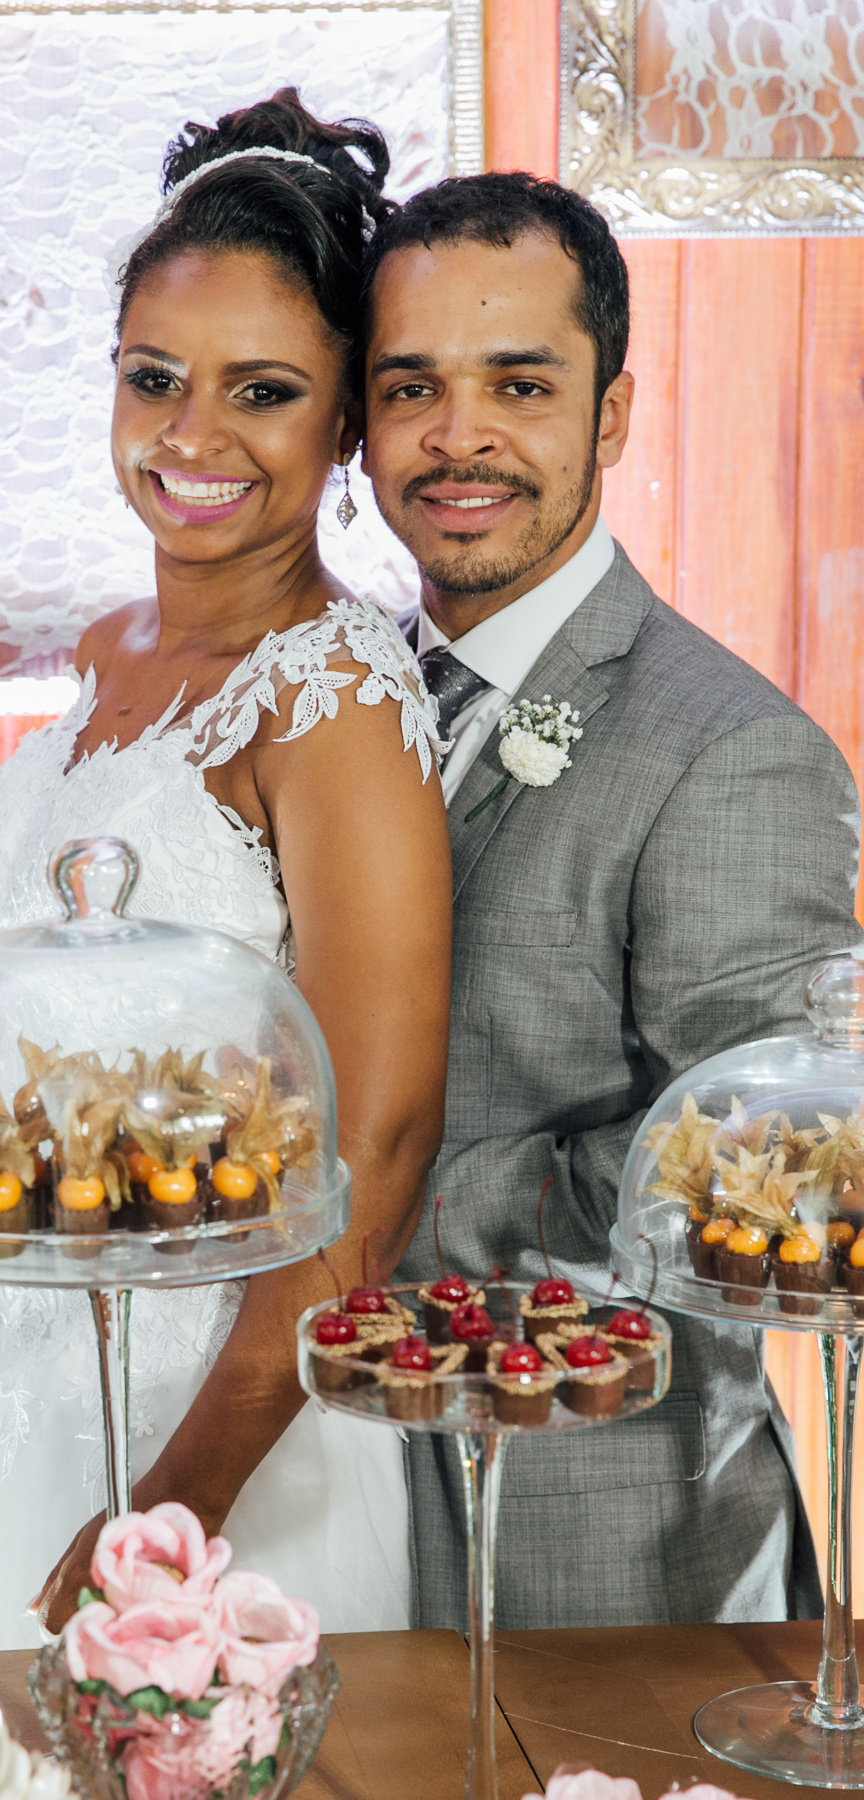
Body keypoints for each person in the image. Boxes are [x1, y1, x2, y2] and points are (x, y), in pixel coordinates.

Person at [0, 92, 451, 1653]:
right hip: (20, 1335)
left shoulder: (333, 704)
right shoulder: (112, 645)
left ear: (343, 422)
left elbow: (380, 1146)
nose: (191, 439)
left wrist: (174, 1504)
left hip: (225, 1406)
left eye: (261, 392)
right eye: (154, 381)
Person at [359, 171, 861, 1629]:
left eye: (520, 383)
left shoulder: (730, 749)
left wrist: (355, 1198)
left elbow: (752, 1165)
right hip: (339, 1485)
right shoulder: (343, 694)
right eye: (412, 389)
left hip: (605, 1538)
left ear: (613, 415)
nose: (460, 439)